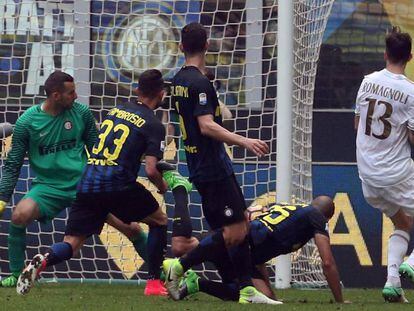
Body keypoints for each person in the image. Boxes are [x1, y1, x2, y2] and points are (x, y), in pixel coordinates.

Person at [15, 69, 169, 295]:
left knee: (72, 243)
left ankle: (44, 259)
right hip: (117, 184)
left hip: (87, 182)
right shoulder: (154, 124)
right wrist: (163, 187)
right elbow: (151, 169)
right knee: (160, 220)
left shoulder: (116, 110)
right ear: (162, 94)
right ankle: (154, 283)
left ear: (137, 90)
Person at [163, 22, 274, 304]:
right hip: (212, 168)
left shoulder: (178, 81)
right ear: (208, 46)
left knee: (232, 231)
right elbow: (206, 126)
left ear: (180, 48)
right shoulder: (200, 83)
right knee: (236, 230)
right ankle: (179, 266)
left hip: (199, 165)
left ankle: (245, 289)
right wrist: (244, 141)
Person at [178, 196, 347, 304]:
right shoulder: (316, 217)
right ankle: (181, 267)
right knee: (249, 296)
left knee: (255, 296)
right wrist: (339, 300)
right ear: (328, 218)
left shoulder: (295, 211)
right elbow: (327, 262)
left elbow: (260, 257)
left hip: (242, 248)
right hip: (239, 246)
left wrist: (270, 294)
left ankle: (196, 283)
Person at [355, 26, 414, 303]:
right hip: (395, 173)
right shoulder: (410, 92)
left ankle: (392, 283)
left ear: (385, 53)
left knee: (401, 223)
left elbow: (357, 124)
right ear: (410, 57)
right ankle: (412, 263)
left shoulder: (367, 82)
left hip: (368, 177)